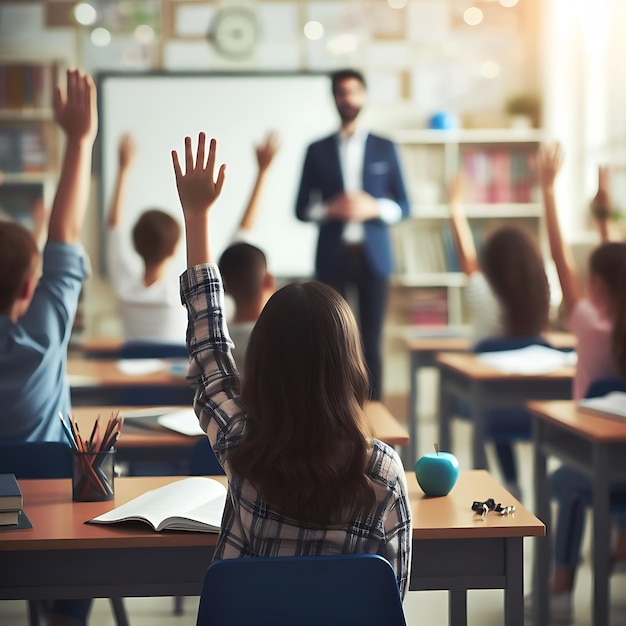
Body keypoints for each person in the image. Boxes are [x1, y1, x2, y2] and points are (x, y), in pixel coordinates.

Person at [173, 133, 412, 596]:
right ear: (350, 366)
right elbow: (391, 601)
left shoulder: (244, 449)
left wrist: (196, 216)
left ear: (260, 365)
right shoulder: (383, 471)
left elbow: (210, 357)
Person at [0, 69, 97, 626]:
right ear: (29, 289)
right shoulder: (46, 328)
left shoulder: (43, 315)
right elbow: (65, 232)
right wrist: (79, 140)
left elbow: (58, 238)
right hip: (50, 517)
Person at [529, 144, 626, 624]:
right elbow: (617, 264)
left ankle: (562, 579)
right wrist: (606, 216)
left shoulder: (588, 322)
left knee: (564, 480)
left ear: (599, 289)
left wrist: (548, 190)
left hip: (594, 458)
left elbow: (558, 255)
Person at [295, 68, 410, 401]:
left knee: (371, 341)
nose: (348, 98)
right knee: (331, 339)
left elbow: (404, 205)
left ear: (364, 95)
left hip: (374, 257)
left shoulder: (385, 147)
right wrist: (331, 209)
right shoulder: (316, 150)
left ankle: (373, 411)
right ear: (334, 97)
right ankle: (332, 407)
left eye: (354, 92)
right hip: (333, 256)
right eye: (342, 92)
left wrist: (373, 208)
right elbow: (302, 209)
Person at [447, 173, 551, 497]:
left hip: (487, 403)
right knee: (503, 410)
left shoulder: (482, 293)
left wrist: (454, 207)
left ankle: (503, 483)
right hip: (532, 405)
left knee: (472, 404)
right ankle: (515, 482)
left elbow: (467, 260)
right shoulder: (541, 295)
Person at [106, 133, 187, 343]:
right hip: (174, 377)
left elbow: (114, 227)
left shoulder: (124, 289)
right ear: (173, 249)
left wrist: (123, 171)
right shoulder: (181, 297)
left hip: (130, 377)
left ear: (135, 244)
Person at [217, 132, 278, 374]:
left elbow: (242, 234)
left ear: (224, 285)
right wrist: (262, 173)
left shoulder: (217, 344)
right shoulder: (277, 342)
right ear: (269, 281)